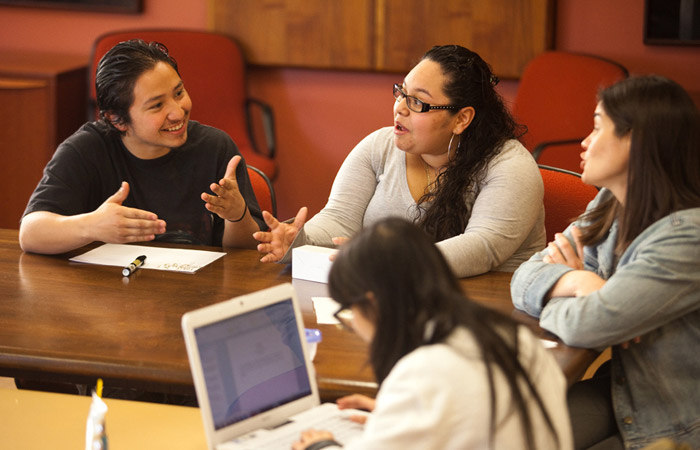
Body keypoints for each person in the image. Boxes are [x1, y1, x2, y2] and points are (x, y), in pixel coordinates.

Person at [510, 75, 700, 450]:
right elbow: (524, 277)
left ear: (636, 142)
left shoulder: (687, 238)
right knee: (509, 433)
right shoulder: (609, 204)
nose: (584, 142)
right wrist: (580, 284)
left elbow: (589, 325)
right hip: (623, 389)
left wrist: (581, 296)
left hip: (677, 419)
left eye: (597, 128)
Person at [254, 44, 544, 278]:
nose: (400, 108)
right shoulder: (379, 146)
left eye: (418, 102)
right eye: (401, 92)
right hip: (399, 307)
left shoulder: (509, 166)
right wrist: (300, 240)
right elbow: (340, 220)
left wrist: (391, 258)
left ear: (462, 118)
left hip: (488, 315)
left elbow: (483, 247)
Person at [293, 217, 572, 450]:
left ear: (373, 302)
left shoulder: (423, 374)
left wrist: (321, 446)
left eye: (349, 311)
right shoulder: (512, 335)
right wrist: (395, 418)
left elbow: (439, 394)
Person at [19, 39, 264, 254]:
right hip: (110, 297)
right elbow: (30, 234)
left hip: (195, 296)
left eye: (178, 93)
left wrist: (237, 215)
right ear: (117, 119)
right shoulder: (86, 150)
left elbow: (246, 255)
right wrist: (91, 226)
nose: (177, 113)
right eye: (157, 106)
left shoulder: (215, 147)